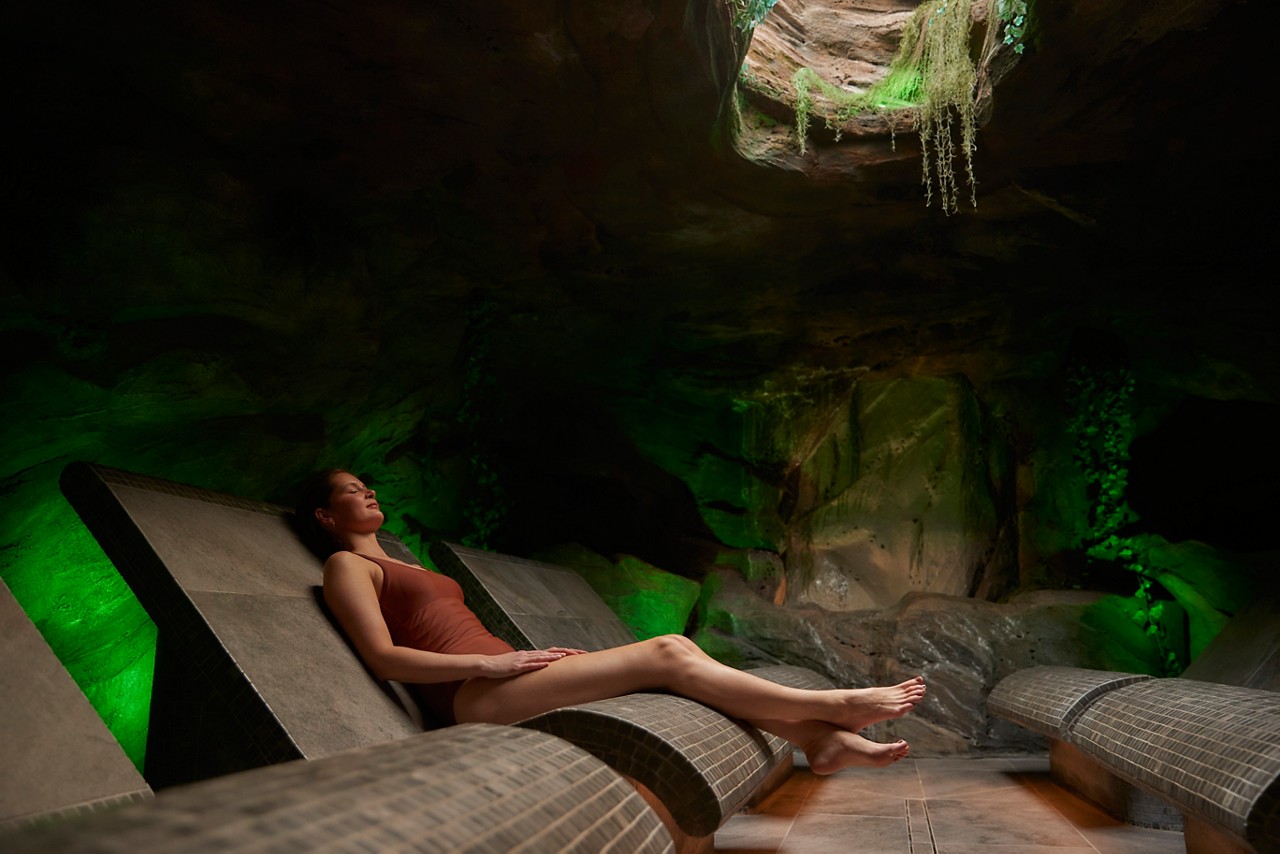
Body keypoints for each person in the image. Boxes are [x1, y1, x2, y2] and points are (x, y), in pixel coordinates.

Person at [297, 469, 926, 774]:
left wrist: (526, 657)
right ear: (326, 517)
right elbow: (382, 659)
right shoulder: (347, 568)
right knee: (670, 652)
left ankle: (818, 740)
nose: (368, 492)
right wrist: (491, 662)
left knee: (682, 669)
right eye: (352, 490)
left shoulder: (399, 560)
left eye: (367, 486)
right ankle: (832, 707)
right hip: (473, 695)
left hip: (503, 679)